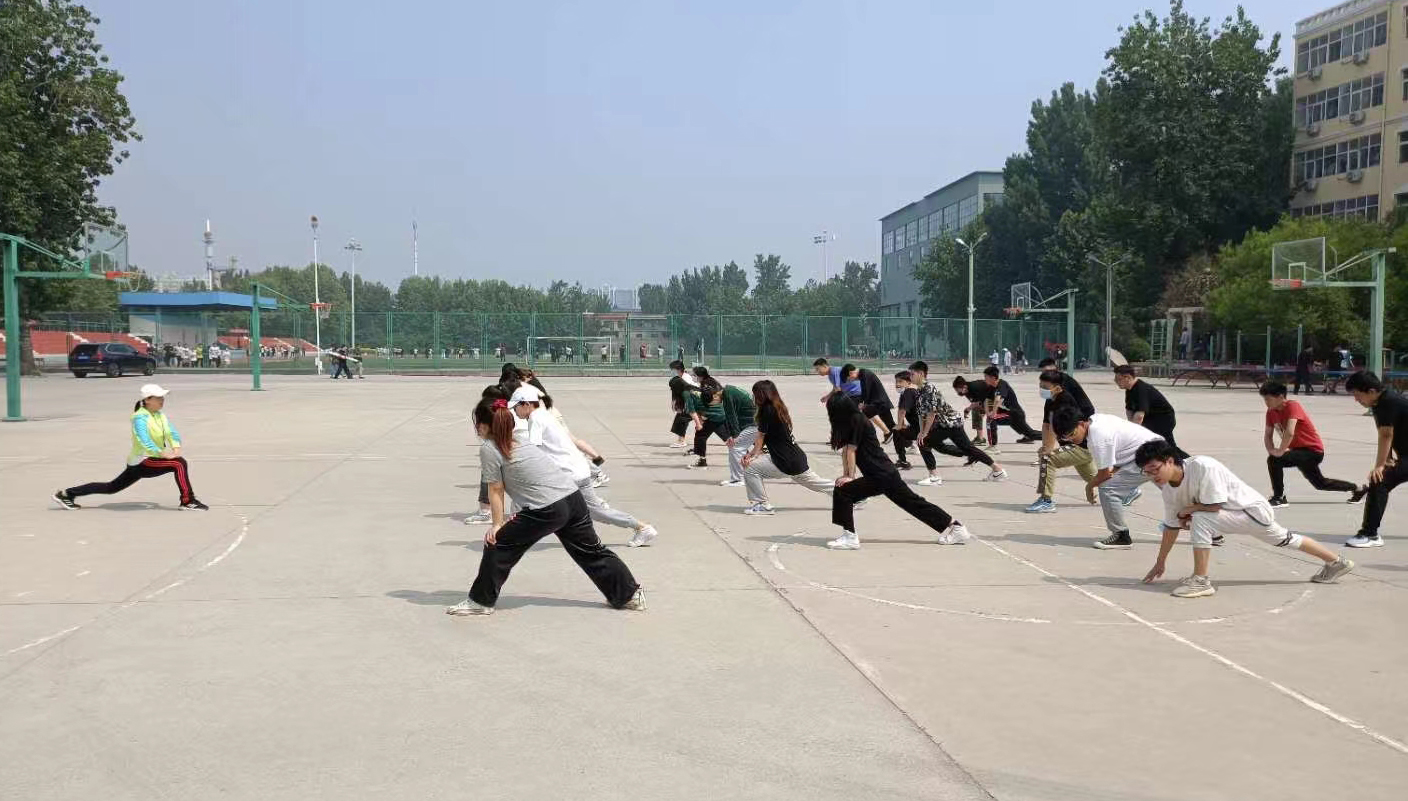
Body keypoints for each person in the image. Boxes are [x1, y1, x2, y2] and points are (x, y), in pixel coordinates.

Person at [447, 396, 645, 616]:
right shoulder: (520, 438)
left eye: (477, 422)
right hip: (572, 498)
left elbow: (495, 489)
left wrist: (496, 525)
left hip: (547, 508)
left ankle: (480, 601)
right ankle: (629, 594)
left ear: (484, 425)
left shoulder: (490, 448)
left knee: (498, 544)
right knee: (591, 551)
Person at [1135, 440, 1354, 598]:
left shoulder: (1202, 466)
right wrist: (1160, 562)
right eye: (1147, 473)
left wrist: (1190, 510)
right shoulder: (1168, 490)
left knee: (1200, 518)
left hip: (1251, 511)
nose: (1153, 476)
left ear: (1170, 461)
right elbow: (1171, 527)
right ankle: (1338, 562)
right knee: (1285, 539)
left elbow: (1215, 505)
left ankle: (1200, 581)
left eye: (1155, 469)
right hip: (1238, 515)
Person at [508, 385, 658, 548]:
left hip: (568, 475)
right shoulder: (545, 415)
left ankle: (513, 536)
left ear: (526, 404)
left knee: (530, 501)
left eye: (516, 407)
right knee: (594, 511)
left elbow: (534, 451)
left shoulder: (535, 419)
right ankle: (640, 527)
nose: (515, 411)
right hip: (577, 470)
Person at [825, 394, 972, 550]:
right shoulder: (852, 420)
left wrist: (850, 476)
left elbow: (851, 450)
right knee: (913, 503)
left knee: (843, 491)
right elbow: (846, 450)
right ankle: (956, 527)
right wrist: (846, 475)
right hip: (883, 473)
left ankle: (850, 537)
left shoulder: (857, 420)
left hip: (880, 474)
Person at [53, 384, 208, 511]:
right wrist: (163, 454)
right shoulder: (139, 417)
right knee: (179, 463)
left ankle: (66, 494)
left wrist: (176, 447)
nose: (162, 400)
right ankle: (188, 501)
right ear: (147, 400)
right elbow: (143, 440)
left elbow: (171, 432)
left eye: (163, 397)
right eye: (158, 397)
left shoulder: (159, 415)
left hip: (148, 461)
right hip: (142, 460)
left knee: (111, 488)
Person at [1049, 406, 1165, 550]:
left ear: (1081, 424)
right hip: (1155, 450)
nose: (1072, 439)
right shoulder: (1096, 419)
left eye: (1072, 434)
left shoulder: (1097, 438)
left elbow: (1104, 474)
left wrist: (1089, 486)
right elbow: (1113, 465)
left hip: (1148, 458)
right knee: (1177, 492)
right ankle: (1191, 517)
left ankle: (1121, 535)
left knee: (1108, 489)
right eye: (1065, 438)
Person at [1260, 381, 1365, 508]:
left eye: (1268, 399)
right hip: (1298, 452)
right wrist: (1271, 449)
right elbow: (1268, 435)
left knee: (1274, 460)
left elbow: (1290, 432)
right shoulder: (1271, 412)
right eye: (1264, 399)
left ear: (1281, 397)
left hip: (1312, 451)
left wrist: (1280, 451)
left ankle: (1279, 497)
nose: (1266, 402)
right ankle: (1358, 489)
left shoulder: (1292, 406)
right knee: (1320, 484)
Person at [740, 380, 834, 515]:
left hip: (786, 461)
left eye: (755, 394)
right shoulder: (777, 407)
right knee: (817, 483)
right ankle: (851, 495)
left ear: (761, 394)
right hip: (793, 458)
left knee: (750, 467)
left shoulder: (768, 410)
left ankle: (762, 505)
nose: (754, 397)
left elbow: (760, 437)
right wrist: (754, 453)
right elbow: (765, 438)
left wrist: (751, 456)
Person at [909, 362, 1006, 485]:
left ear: (921, 374)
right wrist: (921, 431)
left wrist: (924, 433)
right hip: (948, 423)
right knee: (966, 448)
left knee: (924, 442)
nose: (910, 377)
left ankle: (934, 476)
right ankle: (997, 469)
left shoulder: (928, 389)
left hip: (950, 423)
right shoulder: (919, 390)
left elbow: (931, 413)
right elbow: (921, 414)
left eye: (912, 374)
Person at [1345, 370, 1408, 548]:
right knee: (1379, 480)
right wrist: (1387, 458)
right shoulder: (1381, 402)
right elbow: (1388, 432)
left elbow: (1386, 434)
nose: (1356, 399)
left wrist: (1379, 466)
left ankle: (1369, 534)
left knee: (1379, 480)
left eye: (1357, 395)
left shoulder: (1387, 402)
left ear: (1371, 391)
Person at [1025, 368, 1099, 514]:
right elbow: (1046, 424)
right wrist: (1046, 446)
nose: (1042, 389)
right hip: (1074, 446)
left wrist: (1048, 450)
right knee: (1097, 480)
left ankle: (1046, 501)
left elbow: (1055, 427)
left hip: (1081, 446)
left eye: (1045, 387)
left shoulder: (1065, 400)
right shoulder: (1051, 400)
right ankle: (1126, 490)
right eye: (1040, 385)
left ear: (1058, 388)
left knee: (1048, 459)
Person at [1115, 365, 1177, 446]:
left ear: (1128, 377)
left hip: (1163, 419)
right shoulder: (1129, 389)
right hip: (1150, 418)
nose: (1116, 382)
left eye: (1118, 379)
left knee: (1165, 445)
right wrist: (1130, 428)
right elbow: (1129, 410)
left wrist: (1132, 432)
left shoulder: (1141, 389)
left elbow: (1139, 415)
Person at [980, 365, 1041, 443]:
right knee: (991, 419)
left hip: (1015, 414)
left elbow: (998, 400)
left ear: (993, 378)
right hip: (1008, 414)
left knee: (1031, 434)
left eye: (986, 377)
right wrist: (988, 412)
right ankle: (1028, 436)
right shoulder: (991, 387)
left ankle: (1051, 435)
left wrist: (994, 413)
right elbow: (986, 400)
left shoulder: (1002, 384)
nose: (984, 379)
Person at [684, 367, 730, 469]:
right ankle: (744, 454)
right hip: (720, 413)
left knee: (701, 435)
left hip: (713, 415)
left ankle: (702, 461)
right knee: (727, 437)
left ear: (700, 376)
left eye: (694, 375)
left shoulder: (705, 385)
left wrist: (702, 417)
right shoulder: (713, 381)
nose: (693, 377)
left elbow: (707, 401)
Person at [719, 382, 758, 488]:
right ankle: (743, 476)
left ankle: (739, 479)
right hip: (752, 422)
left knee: (735, 447)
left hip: (752, 424)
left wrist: (735, 436)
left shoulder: (727, 395)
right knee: (740, 449)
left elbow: (731, 416)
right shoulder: (730, 390)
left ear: (715, 394)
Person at [667, 359, 698, 448]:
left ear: (679, 370)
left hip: (696, 401)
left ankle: (681, 441)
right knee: (714, 422)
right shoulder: (681, 378)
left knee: (682, 419)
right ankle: (728, 438)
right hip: (693, 401)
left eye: (673, 370)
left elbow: (688, 392)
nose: (671, 372)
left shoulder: (684, 379)